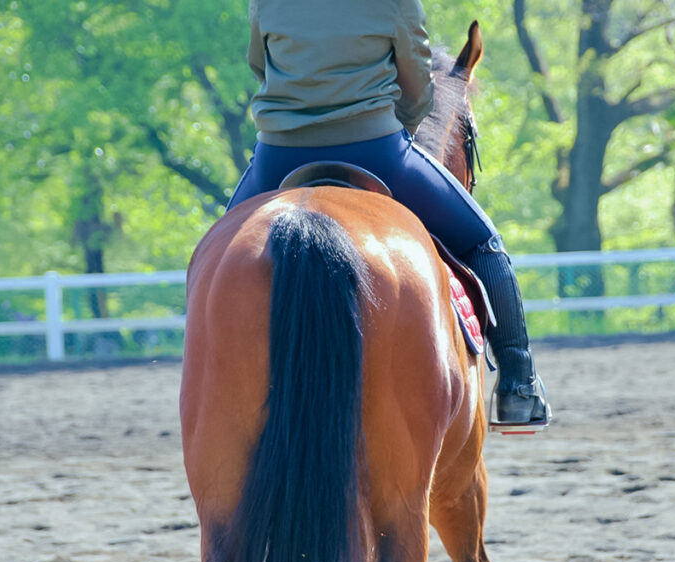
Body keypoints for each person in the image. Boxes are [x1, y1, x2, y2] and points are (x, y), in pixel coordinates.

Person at [228, 0, 548, 426]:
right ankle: (517, 384)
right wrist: (405, 127)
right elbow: (417, 86)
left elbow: (260, 67)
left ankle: (211, 368)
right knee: (483, 241)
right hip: (376, 150)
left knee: (218, 253)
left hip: (279, 155)